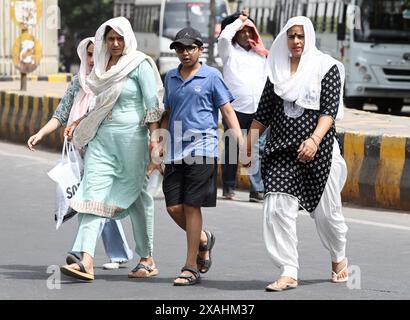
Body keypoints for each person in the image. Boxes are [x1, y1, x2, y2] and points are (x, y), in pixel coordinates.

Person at [246, 16, 349, 291]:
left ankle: (338, 255)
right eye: (291, 36)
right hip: (281, 150)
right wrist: (246, 144)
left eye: (301, 36)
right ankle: (288, 270)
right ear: (284, 38)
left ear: (310, 38)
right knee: (277, 207)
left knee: (328, 214)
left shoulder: (326, 68)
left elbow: (328, 111)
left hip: (320, 150)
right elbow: (263, 113)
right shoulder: (276, 69)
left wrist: (314, 140)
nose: (296, 41)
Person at [59, 17, 163, 281]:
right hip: (102, 140)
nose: (115, 44)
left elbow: (153, 105)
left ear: (127, 38)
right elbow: (99, 106)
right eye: (110, 39)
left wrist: (154, 141)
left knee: (138, 198)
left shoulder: (140, 64)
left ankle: (147, 258)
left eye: (119, 38)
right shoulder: (102, 67)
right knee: (91, 193)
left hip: (133, 141)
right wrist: (80, 120)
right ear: (104, 40)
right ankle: (86, 260)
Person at [27, 37, 133, 270]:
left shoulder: (112, 80)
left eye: (98, 53)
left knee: (92, 200)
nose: (94, 59)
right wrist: (41, 134)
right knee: (97, 202)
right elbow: (61, 114)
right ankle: (120, 252)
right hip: (80, 151)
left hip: (106, 151)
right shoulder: (78, 83)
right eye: (89, 54)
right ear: (83, 56)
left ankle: (80, 254)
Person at [161, 27, 244, 286]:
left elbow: (228, 112)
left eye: (190, 48)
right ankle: (204, 239)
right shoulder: (171, 78)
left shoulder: (212, 76)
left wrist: (241, 144)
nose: (185, 53)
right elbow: (167, 111)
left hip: (203, 148)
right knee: (173, 207)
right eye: (180, 48)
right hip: (175, 150)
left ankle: (190, 267)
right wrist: (157, 143)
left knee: (190, 205)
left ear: (200, 49)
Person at [218, 9, 268, 202]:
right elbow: (223, 39)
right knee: (232, 147)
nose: (246, 34)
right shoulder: (228, 51)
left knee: (257, 148)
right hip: (234, 109)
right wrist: (239, 21)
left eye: (249, 30)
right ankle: (228, 186)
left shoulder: (261, 54)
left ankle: (257, 189)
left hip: (258, 109)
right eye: (242, 31)